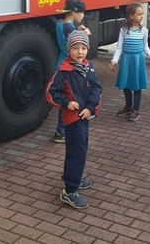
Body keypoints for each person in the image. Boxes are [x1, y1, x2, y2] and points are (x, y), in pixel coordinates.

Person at [46, 30, 102, 210]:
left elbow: (96, 89)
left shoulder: (89, 67)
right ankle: (69, 190)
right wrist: (66, 103)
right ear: (69, 49)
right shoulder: (63, 71)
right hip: (72, 119)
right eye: (75, 48)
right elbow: (50, 92)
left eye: (83, 48)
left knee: (80, 149)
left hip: (85, 116)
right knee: (77, 152)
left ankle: (73, 177)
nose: (80, 52)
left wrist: (91, 108)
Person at [109, 3, 150, 121]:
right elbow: (119, 47)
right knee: (126, 84)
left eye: (142, 13)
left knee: (137, 85)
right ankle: (128, 106)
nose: (142, 16)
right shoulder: (123, 30)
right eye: (139, 14)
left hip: (138, 61)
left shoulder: (144, 31)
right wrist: (115, 60)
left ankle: (136, 109)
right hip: (126, 60)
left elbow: (145, 47)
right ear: (131, 16)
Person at [52, 0, 91, 143]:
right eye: (81, 13)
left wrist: (77, 29)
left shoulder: (61, 23)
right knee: (70, 99)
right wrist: (84, 33)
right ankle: (61, 131)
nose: (83, 16)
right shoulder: (70, 28)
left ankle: (61, 130)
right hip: (69, 64)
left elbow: (68, 33)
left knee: (65, 97)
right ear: (74, 12)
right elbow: (77, 43)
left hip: (60, 61)